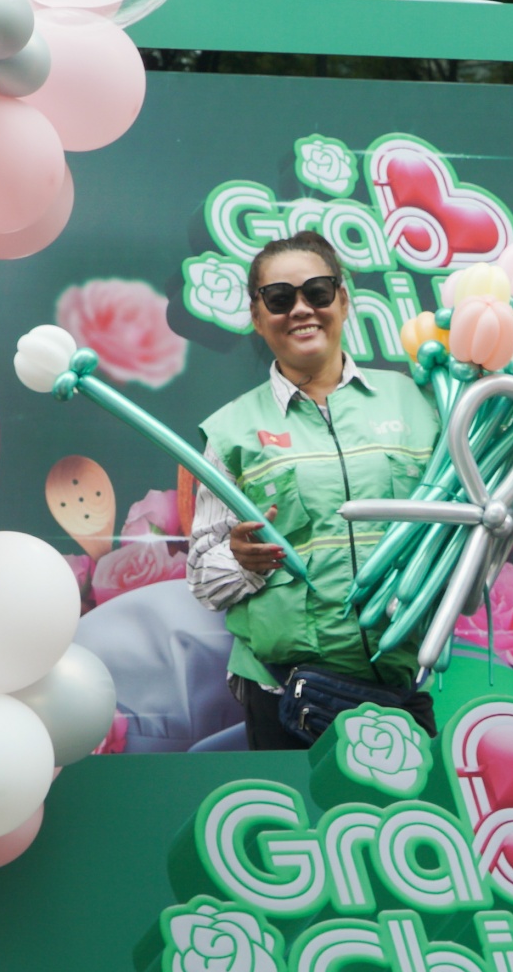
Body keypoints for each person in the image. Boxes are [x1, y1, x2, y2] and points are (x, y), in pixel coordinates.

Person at [186, 231, 439, 750]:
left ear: (343, 300)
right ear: (257, 316)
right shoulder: (231, 431)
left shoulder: (419, 404)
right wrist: (242, 561)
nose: (301, 309)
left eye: (317, 292)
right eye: (279, 298)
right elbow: (203, 580)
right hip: (283, 695)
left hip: (400, 690)